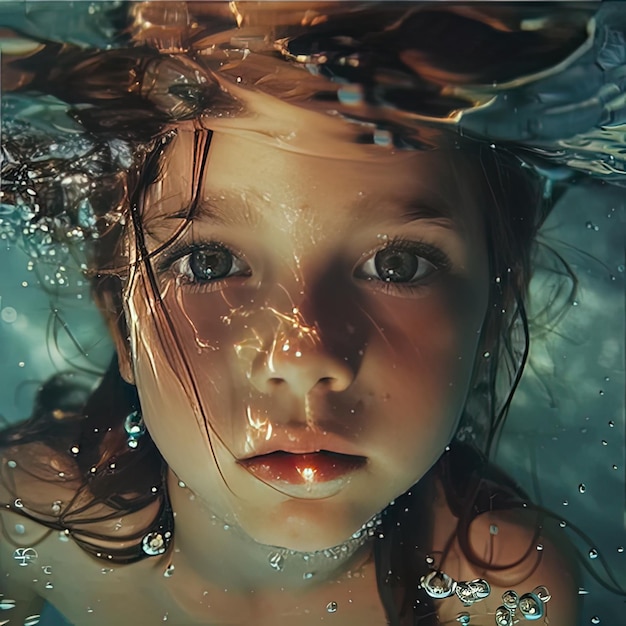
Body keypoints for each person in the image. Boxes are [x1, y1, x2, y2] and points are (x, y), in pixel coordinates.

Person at [0, 2, 600, 624]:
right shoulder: (26, 523)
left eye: (399, 266)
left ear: (494, 315)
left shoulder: (501, 587)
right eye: (208, 263)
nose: (303, 358)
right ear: (123, 324)